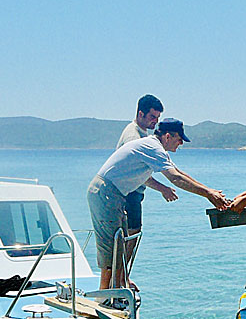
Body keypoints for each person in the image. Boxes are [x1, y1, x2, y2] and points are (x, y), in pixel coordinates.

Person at [88, 118, 229, 291]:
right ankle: (106, 294)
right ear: (168, 136)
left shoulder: (155, 148)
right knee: (112, 246)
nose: (181, 143)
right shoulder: (152, 147)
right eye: (179, 139)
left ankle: (115, 290)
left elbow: (178, 173)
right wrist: (207, 194)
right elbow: (175, 178)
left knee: (120, 244)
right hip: (106, 193)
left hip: (113, 194)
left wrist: (209, 190)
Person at [116, 95, 178, 286]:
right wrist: (163, 189)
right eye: (152, 116)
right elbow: (142, 174)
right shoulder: (133, 135)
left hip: (135, 193)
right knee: (128, 237)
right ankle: (119, 281)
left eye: (158, 117)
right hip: (128, 194)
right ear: (140, 113)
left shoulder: (144, 134)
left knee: (132, 237)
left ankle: (122, 278)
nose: (155, 121)